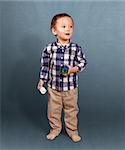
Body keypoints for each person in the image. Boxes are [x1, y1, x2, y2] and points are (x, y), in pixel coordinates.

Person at [37, 13, 87, 142]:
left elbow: (83, 63)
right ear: (54, 30)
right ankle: (55, 129)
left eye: (71, 26)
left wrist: (73, 69)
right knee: (53, 110)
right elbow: (45, 66)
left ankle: (72, 131)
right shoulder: (49, 48)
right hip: (53, 87)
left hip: (70, 88)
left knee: (71, 110)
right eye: (63, 26)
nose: (68, 29)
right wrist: (41, 81)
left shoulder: (76, 48)